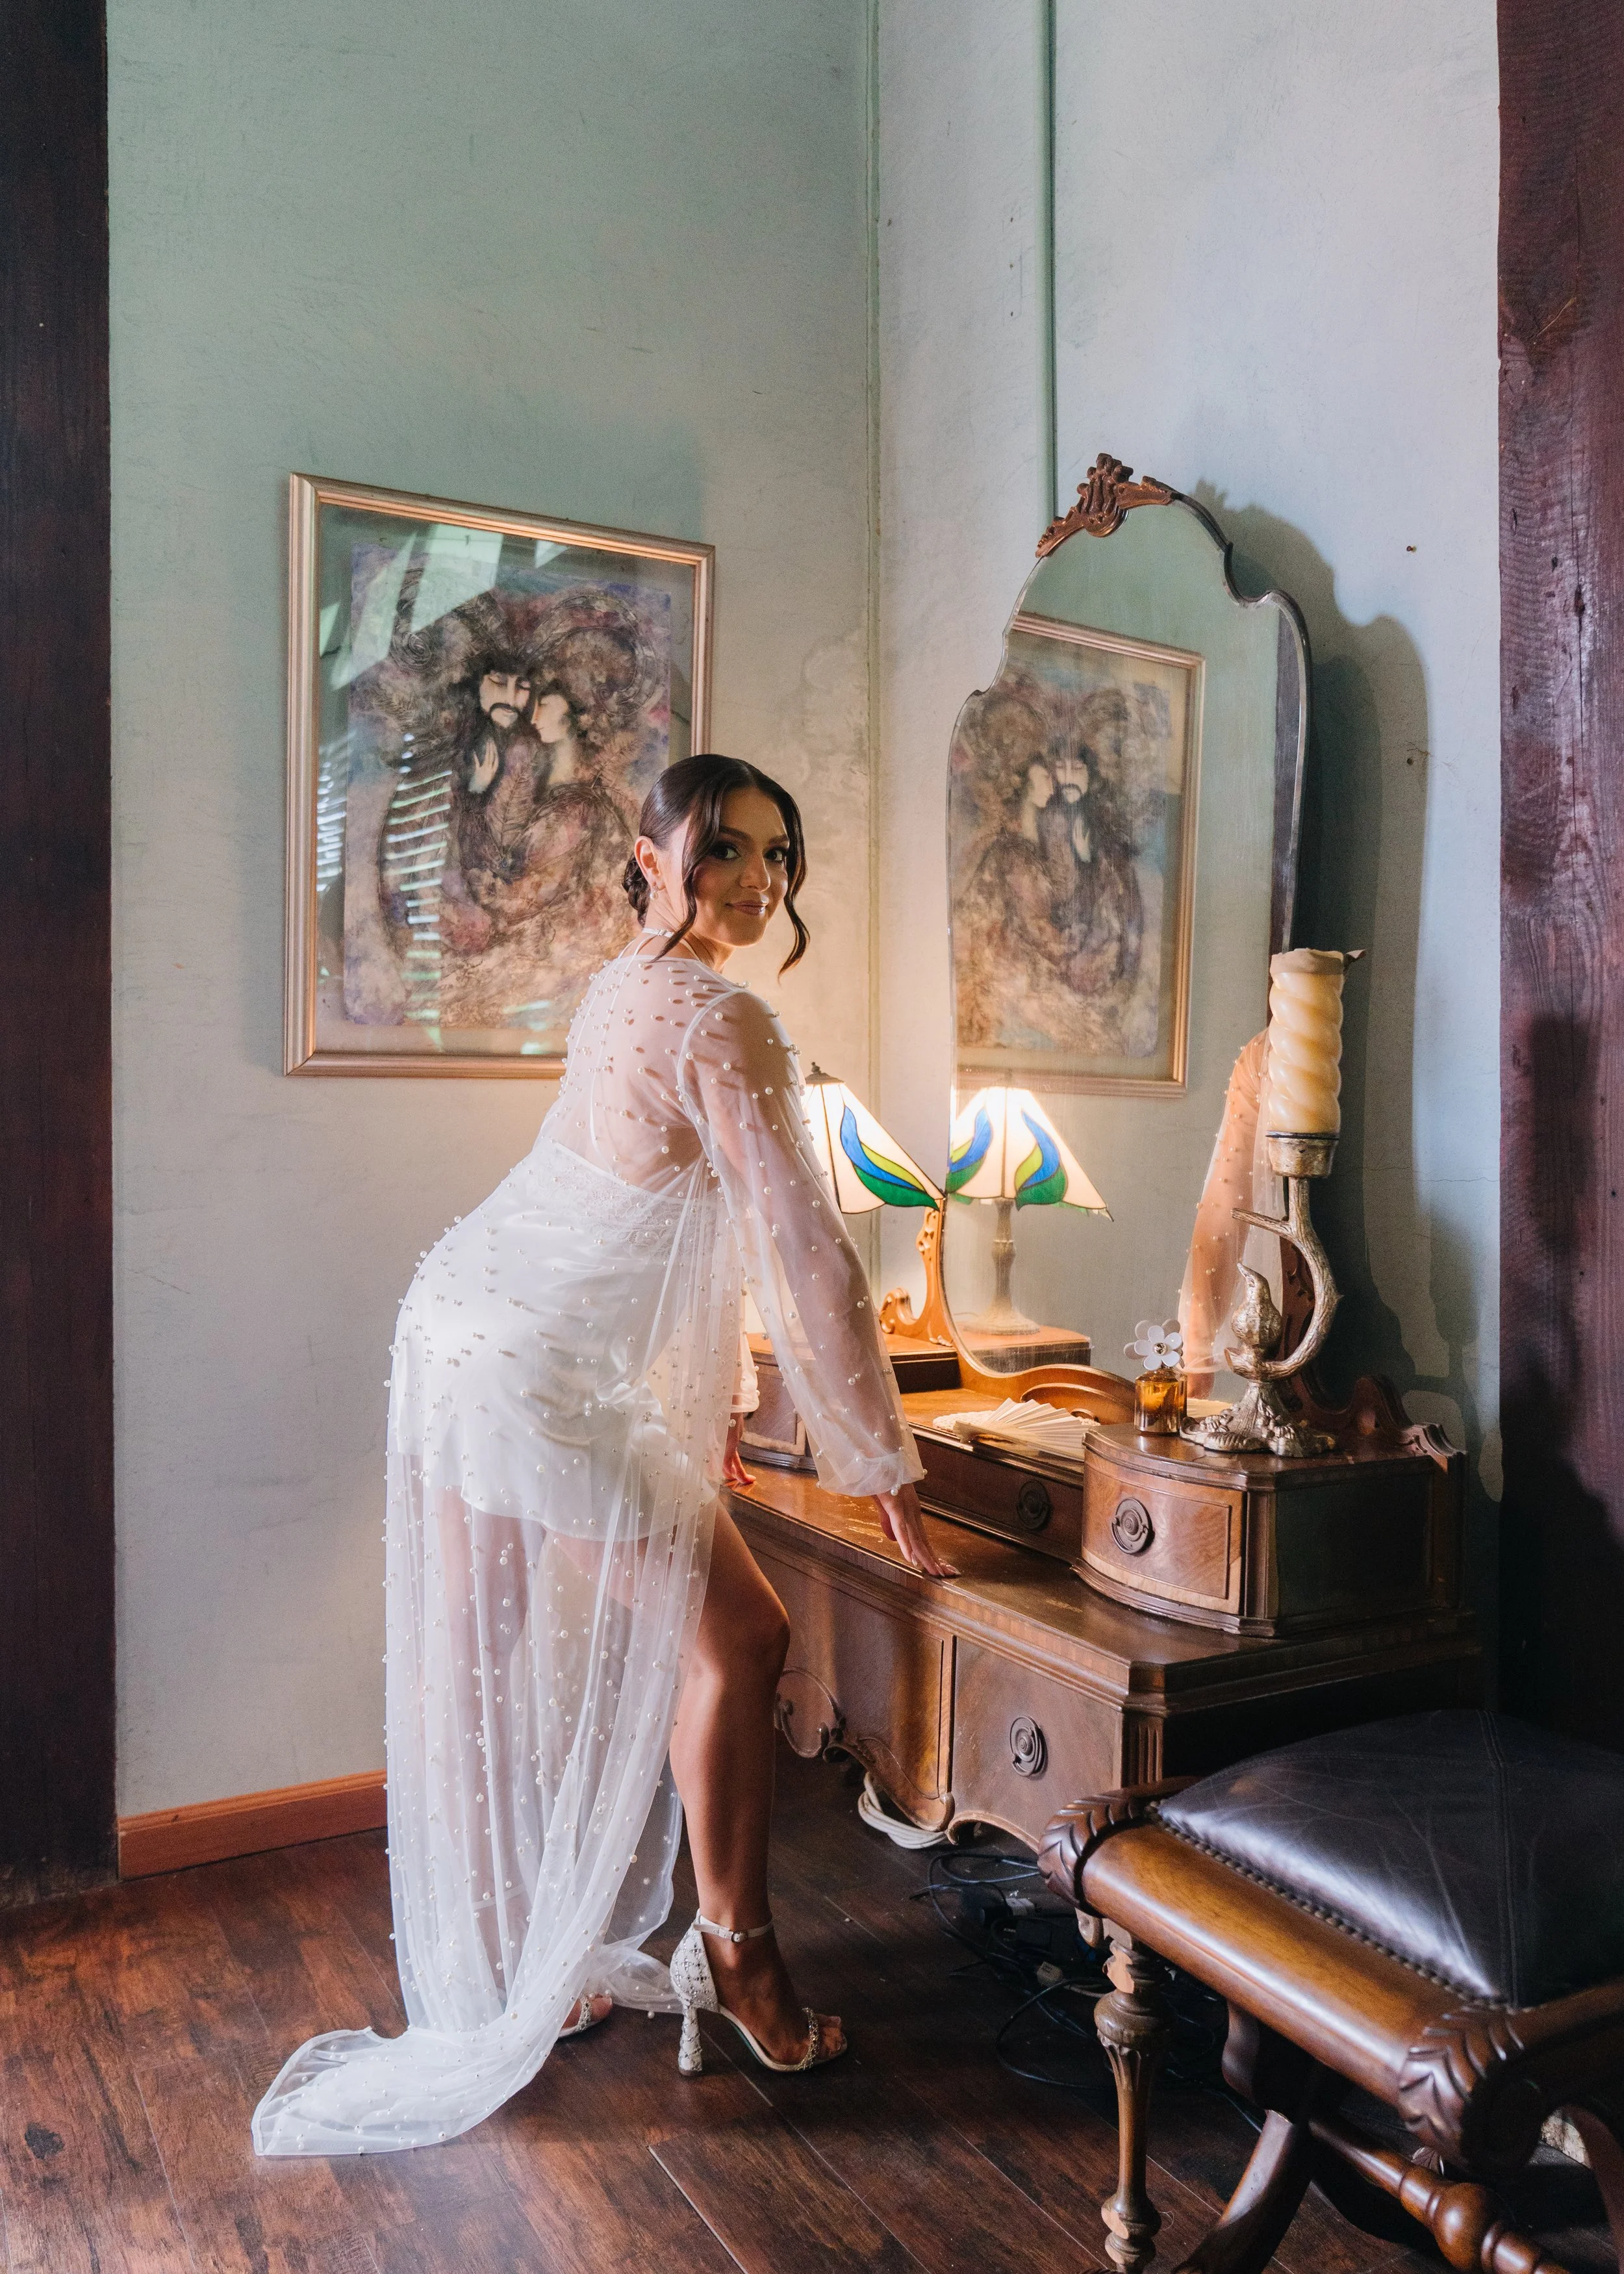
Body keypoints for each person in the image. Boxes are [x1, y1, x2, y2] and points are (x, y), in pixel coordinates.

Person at [253, 753, 954, 2158]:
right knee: (741, 1642)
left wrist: (727, 1407)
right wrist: (880, 1461)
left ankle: (528, 1964)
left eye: (774, 855)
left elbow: (656, 1216)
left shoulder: (619, 986)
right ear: (649, 856)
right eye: (725, 851)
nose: (756, 881)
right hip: (531, 1367)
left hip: (457, 1319)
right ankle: (738, 1952)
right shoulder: (722, 1014)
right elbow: (800, 1246)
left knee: (489, 1651)